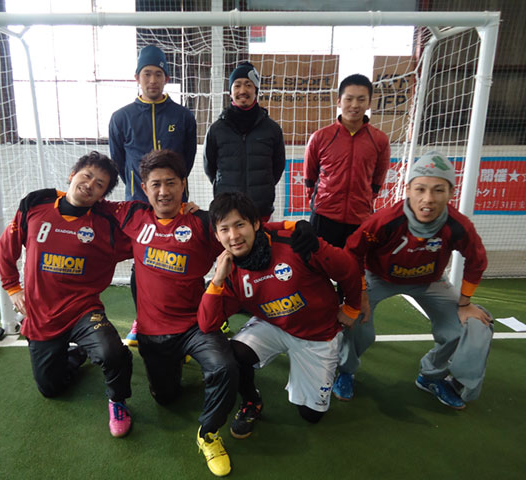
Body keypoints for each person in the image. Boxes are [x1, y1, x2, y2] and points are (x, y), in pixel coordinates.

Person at [98, 149, 238, 477]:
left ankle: (208, 434)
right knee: (165, 398)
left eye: (171, 183)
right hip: (153, 332)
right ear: (144, 188)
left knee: (225, 367)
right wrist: (52, 196)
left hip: (195, 325)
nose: (164, 191)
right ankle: (174, 365)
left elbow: (242, 232)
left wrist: (291, 229)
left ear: (183, 184)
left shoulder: (201, 222)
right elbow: (86, 198)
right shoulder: (133, 215)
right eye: (156, 184)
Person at [333, 151, 494, 409]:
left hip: (430, 281)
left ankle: (431, 375)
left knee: (466, 327)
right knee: (356, 319)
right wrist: (359, 294)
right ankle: (345, 370)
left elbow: (477, 260)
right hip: (379, 277)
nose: (428, 199)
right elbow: (352, 252)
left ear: (451, 193)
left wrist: (465, 304)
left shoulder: (458, 225)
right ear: (408, 190)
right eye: (420, 189)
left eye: (438, 190)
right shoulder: (385, 221)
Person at [198, 192, 361, 439]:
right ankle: (251, 401)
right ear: (217, 235)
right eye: (225, 229)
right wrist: (217, 279)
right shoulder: (229, 270)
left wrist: (352, 307)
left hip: (318, 335)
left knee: (311, 415)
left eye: (240, 225)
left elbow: (347, 267)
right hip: (273, 325)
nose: (234, 236)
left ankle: (324, 373)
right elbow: (207, 324)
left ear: (255, 223)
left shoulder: (296, 243)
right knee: (232, 355)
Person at [0, 151, 134, 437]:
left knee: (111, 352)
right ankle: (76, 354)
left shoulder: (106, 224)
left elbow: (147, 234)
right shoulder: (36, 204)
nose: (90, 185)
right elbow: (6, 247)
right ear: (72, 175)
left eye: (99, 184)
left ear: (102, 196)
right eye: (87, 176)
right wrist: (12, 287)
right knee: (51, 389)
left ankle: (118, 400)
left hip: (83, 310)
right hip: (42, 314)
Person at [109, 45, 198, 346]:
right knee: (143, 264)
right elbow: (119, 162)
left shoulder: (182, 116)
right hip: (139, 203)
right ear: (137, 77)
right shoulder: (121, 118)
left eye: (158, 74)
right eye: (147, 74)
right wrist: (142, 192)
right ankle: (142, 319)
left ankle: (189, 321)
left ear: (166, 78)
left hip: (175, 202)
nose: (152, 80)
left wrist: (171, 190)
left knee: (182, 259)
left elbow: (187, 160)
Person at [304, 73, 390, 300]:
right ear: (339, 101)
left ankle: (349, 312)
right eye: (349, 99)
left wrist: (363, 201)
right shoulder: (321, 137)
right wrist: (321, 201)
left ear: (369, 103)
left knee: (352, 272)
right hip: (324, 217)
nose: (354, 105)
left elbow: (377, 180)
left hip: (359, 220)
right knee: (317, 270)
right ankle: (320, 311)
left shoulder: (379, 140)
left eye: (361, 99)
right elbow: (310, 178)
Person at [204, 61, 286, 222]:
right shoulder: (216, 129)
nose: (242, 91)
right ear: (230, 92)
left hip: (260, 209)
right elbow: (210, 168)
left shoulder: (272, 129)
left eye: (248, 85)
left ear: (256, 90)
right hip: (227, 210)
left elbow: (277, 167)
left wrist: (263, 189)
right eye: (237, 85)